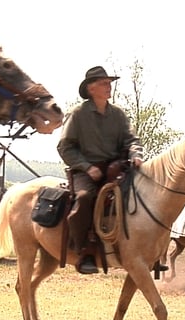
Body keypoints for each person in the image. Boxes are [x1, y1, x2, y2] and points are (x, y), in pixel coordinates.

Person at [57, 66, 144, 274]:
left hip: (116, 169)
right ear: (91, 88)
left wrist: (136, 154)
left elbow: (132, 139)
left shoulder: (118, 114)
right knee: (86, 197)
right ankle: (84, 251)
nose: (109, 87)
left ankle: (142, 248)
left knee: (141, 195)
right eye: (104, 83)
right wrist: (87, 167)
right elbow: (65, 147)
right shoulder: (77, 114)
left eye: (109, 83)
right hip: (85, 172)